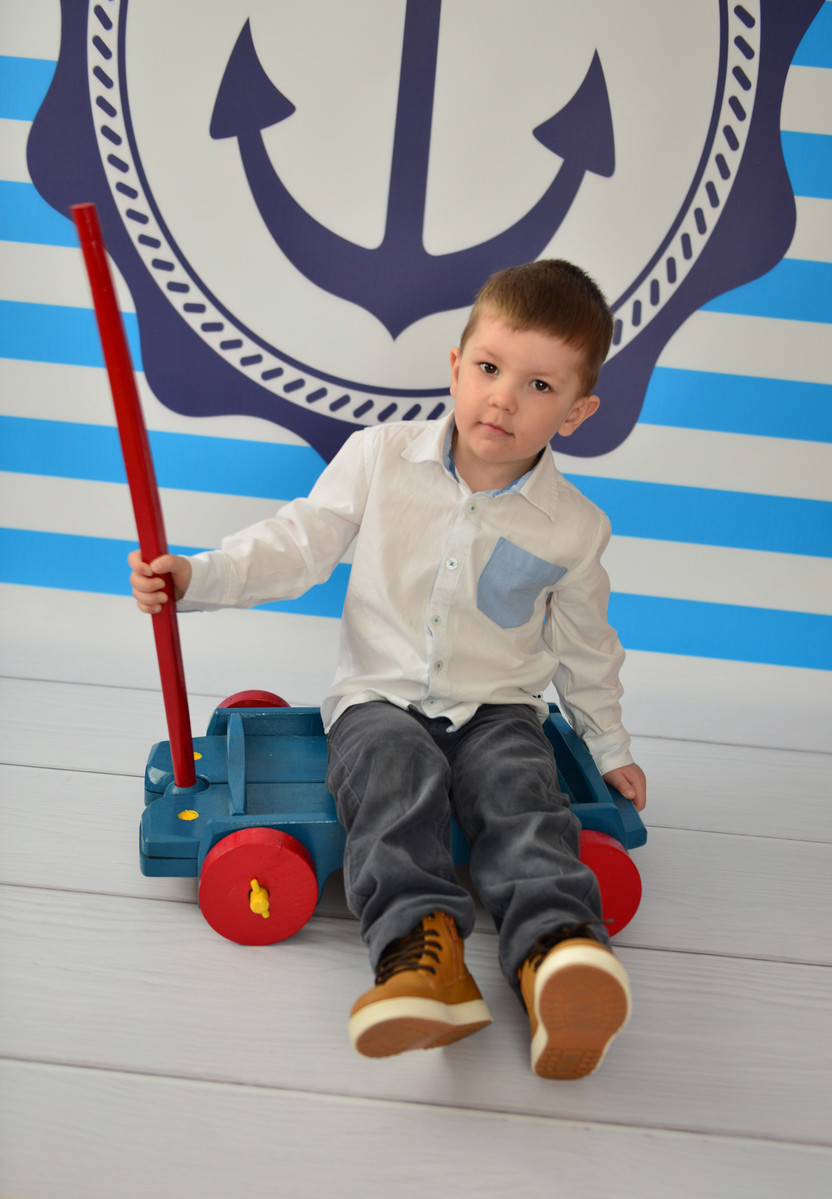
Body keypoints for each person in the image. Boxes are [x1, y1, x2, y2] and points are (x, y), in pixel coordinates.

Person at [129, 259, 647, 1080]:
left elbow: (587, 646)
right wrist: (201, 576)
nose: (503, 399)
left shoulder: (574, 528)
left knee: (522, 795)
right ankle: (423, 954)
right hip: (380, 698)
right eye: (489, 368)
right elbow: (297, 544)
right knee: (390, 779)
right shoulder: (380, 457)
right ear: (456, 365)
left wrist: (608, 744)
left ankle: (558, 954)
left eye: (540, 385)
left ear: (577, 411)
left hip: (499, 706)